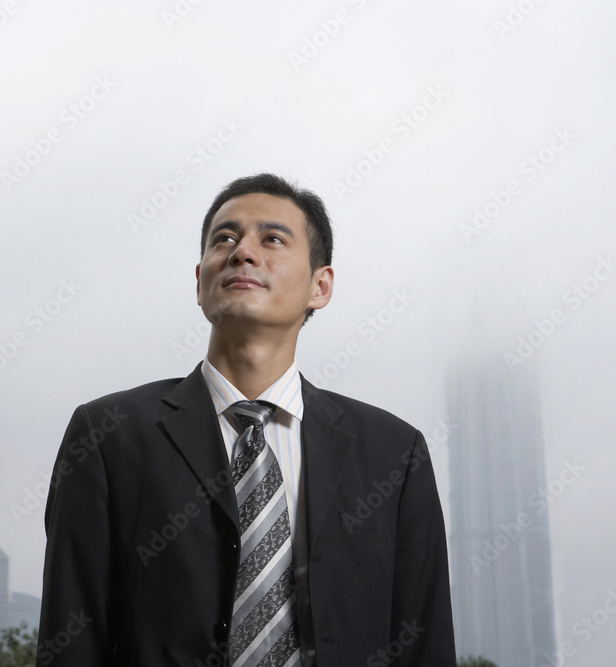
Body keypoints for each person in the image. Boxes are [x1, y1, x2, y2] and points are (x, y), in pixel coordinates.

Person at [36, 173, 455, 666]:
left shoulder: (393, 452)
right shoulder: (109, 436)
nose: (242, 252)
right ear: (199, 282)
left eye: (272, 239)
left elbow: (424, 644)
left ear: (320, 286)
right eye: (225, 239)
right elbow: (71, 641)